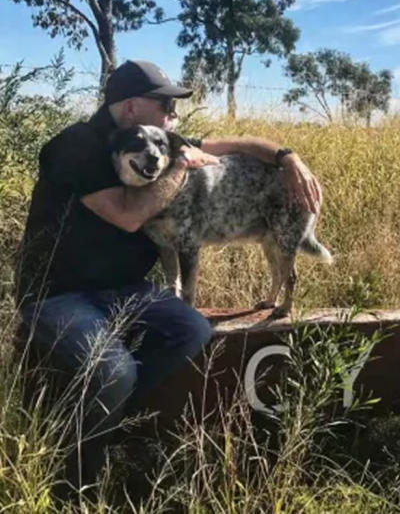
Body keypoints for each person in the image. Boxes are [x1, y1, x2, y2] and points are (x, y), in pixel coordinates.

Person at [14, 59, 322, 496]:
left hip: (124, 290)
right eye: (166, 106)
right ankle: (74, 484)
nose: (174, 116)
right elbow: (127, 215)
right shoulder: (78, 145)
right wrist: (180, 164)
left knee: (191, 330)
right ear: (133, 107)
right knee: (114, 369)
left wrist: (286, 157)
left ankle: (111, 422)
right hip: (59, 293)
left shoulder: (159, 140)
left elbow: (233, 143)